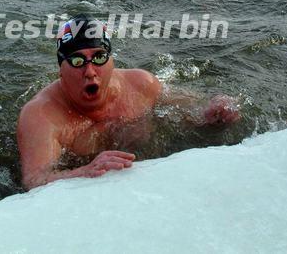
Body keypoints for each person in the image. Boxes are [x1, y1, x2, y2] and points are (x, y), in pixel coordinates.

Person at [17, 15, 241, 190]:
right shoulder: (40, 115)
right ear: (61, 69)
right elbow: (35, 181)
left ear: (111, 60)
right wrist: (84, 171)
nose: (90, 72)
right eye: (77, 61)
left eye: (99, 57)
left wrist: (217, 110)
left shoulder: (141, 84)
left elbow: (196, 110)